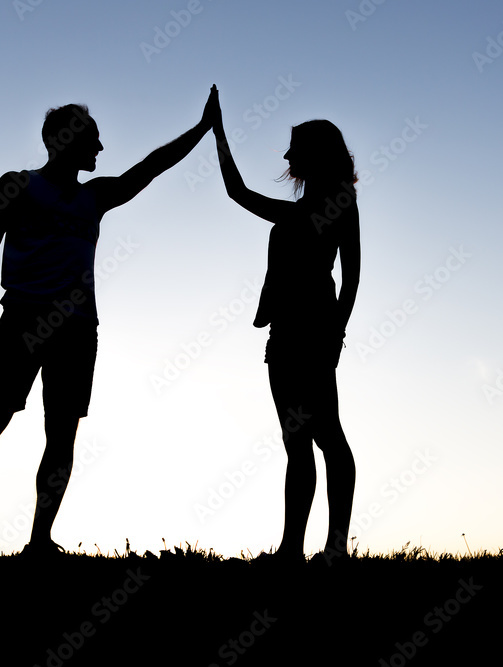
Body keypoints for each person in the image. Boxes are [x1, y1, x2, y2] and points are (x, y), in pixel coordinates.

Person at [0, 88, 218, 559]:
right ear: (62, 139)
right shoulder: (18, 185)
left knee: (62, 435)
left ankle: (39, 540)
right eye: (93, 139)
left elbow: (150, 167)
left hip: (78, 329)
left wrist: (201, 128)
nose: (101, 149)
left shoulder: (96, 195)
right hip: (23, 318)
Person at [210, 85, 360, 562]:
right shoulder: (301, 208)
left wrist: (336, 332)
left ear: (315, 153)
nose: (286, 153)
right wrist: (216, 131)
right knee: (298, 441)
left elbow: (352, 273)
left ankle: (334, 547)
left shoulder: (336, 203)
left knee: (327, 435)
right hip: (286, 335)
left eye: (294, 145)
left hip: (313, 332)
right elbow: (239, 194)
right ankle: (292, 549)